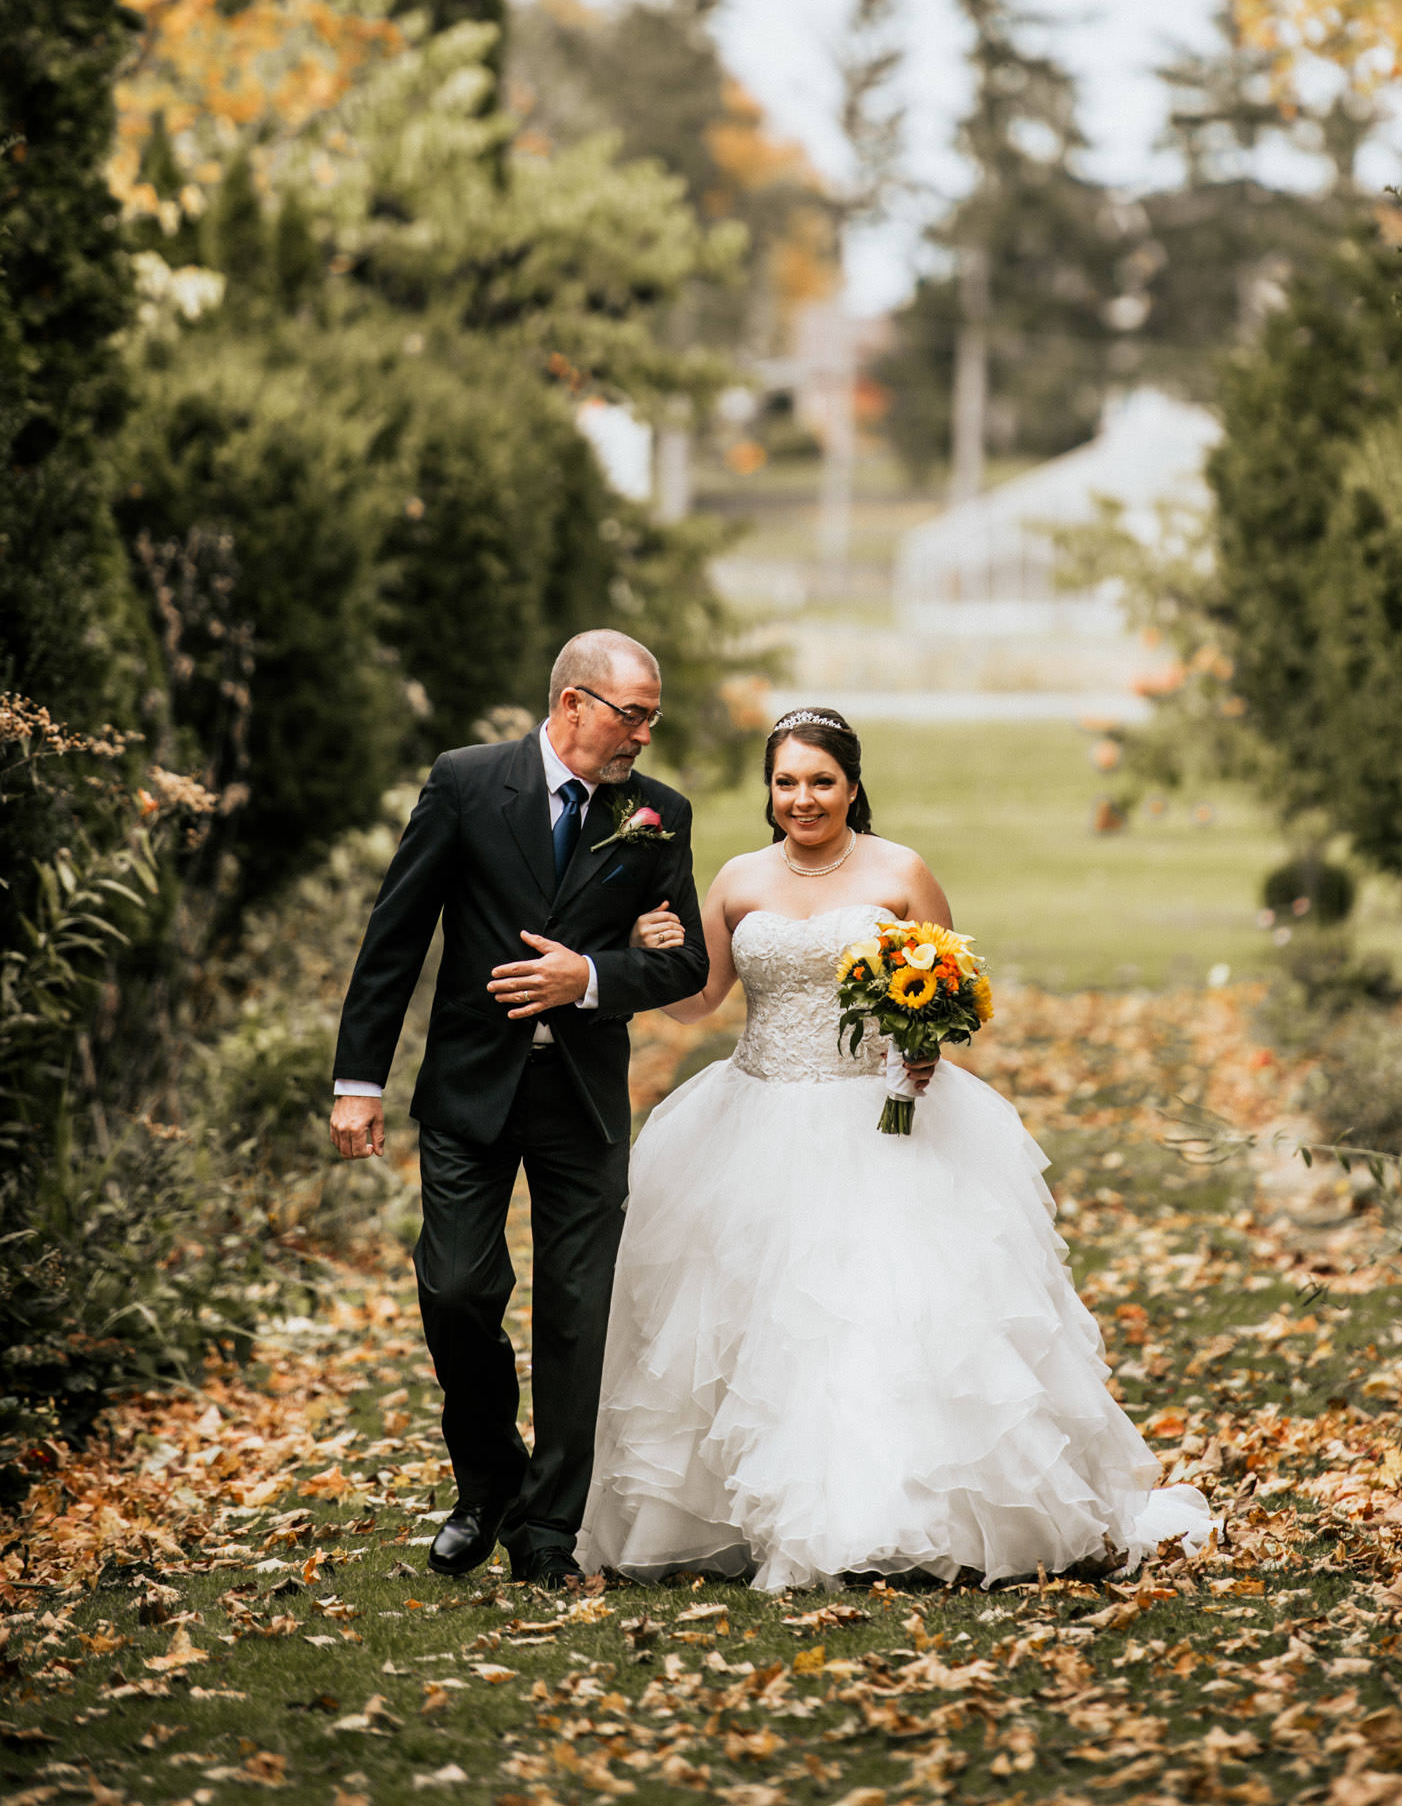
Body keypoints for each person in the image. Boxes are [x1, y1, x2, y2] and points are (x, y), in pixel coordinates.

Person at [578, 706, 1213, 1591]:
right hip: (753, 1118)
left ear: (852, 784)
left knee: (876, 1317)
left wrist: (925, 1044)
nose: (802, 800)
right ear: (768, 790)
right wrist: (653, 947)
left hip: (881, 1117)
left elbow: (959, 991)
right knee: (752, 1322)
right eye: (785, 782)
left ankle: (889, 1518)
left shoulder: (900, 871)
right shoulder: (734, 879)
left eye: (821, 781)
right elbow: (698, 1002)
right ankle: (745, 1518)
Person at [329, 631, 708, 1587]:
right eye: (633, 714)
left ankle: (549, 1534)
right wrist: (358, 1081)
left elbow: (685, 962)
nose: (644, 737)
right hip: (470, 1087)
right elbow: (397, 931)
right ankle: (489, 1477)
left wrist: (592, 974)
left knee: (578, 1315)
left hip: (582, 1096)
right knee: (457, 1290)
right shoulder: (465, 782)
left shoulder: (657, 814)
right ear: (573, 703)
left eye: (653, 718)